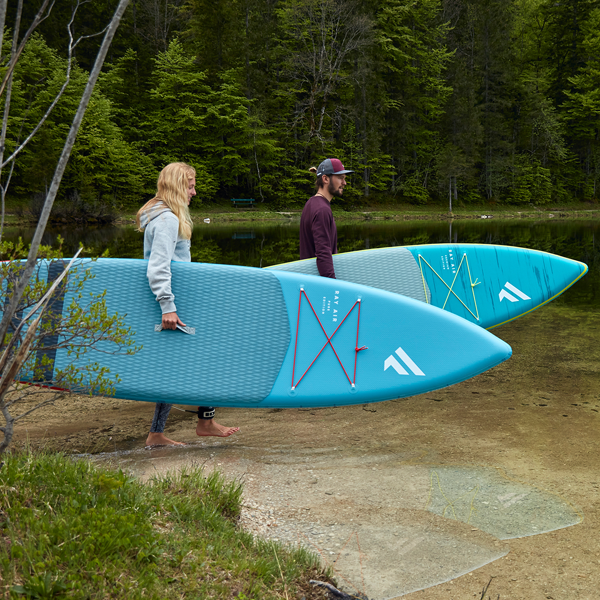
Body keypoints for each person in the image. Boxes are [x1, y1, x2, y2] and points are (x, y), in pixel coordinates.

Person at [136, 162, 239, 446]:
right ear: (178, 186)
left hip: (179, 301)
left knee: (173, 365)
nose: (194, 192)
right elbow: (157, 267)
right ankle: (201, 423)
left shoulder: (160, 215)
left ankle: (164, 432)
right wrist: (167, 306)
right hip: (174, 303)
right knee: (207, 355)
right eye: (190, 186)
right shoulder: (167, 219)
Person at [300, 158, 353, 278]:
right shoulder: (322, 210)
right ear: (325, 179)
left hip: (309, 281)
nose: (344, 183)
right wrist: (332, 285)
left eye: (344, 178)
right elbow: (323, 253)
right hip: (317, 284)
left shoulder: (312, 203)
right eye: (340, 178)